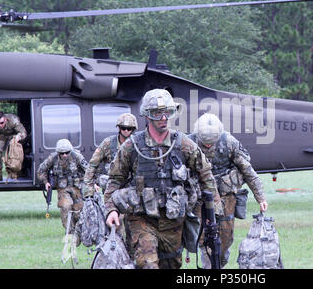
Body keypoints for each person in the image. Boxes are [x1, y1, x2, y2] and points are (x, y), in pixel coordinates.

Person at [104, 89, 223, 269]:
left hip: (173, 220)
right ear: (148, 116)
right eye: (157, 113)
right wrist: (111, 210)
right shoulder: (131, 146)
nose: (163, 118)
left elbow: (205, 174)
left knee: (172, 264)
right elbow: (114, 180)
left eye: (167, 112)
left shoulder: (183, 143)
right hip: (141, 218)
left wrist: (213, 212)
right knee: (148, 263)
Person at [189, 113, 268, 268]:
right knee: (204, 239)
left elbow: (248, 172)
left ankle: (219, 263)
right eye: (205, 143)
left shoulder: (229, 143)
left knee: (225, 240)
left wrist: (261, 198)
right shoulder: (189, 143)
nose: (208, 146)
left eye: (211, 143)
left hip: (226, 200)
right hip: (200, 199)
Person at [37, 139, 88, 242]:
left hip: (77, 187)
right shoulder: (53, 158)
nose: (65, 155)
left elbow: (88, 169)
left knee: (79, 211)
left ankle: (80, 233)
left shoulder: (77, 156)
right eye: (62, 153)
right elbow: (41, 170)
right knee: (65, 206)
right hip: (63, 188)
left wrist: (92, 183)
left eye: (67, 153)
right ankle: (70, 233)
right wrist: (45, 182)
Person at [82, 113, 138, 197]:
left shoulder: (138, 144)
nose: (126, 131)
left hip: (132, 185)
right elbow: (92, 165)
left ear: (133, 129)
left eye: (129, 128)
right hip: (112, 183)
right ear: (119, 128)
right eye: (123, 128)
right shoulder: (108, 143)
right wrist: (89, 188)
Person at [0, 111, 27, 181]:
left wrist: (19, 136)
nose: (0, 125)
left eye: (2, 123)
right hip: (0, 136)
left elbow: (23, 132)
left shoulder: (13, 120)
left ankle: (14, 172)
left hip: (12, 136)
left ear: (5, 119)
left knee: (14, 150)